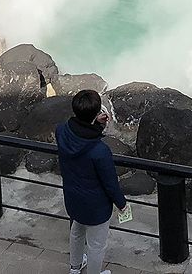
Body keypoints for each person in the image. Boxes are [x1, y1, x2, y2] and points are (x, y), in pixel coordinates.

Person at [56, 90, 127, 274]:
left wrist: (94, 124)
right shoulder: (100, 151)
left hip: (72, 197)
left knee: (77, 232)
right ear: (97, 115)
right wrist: (122, 204)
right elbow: (110, 184)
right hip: (96, 206)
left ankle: (75, 268)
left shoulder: (61, 131)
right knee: (96, 245)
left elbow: (79, 132)